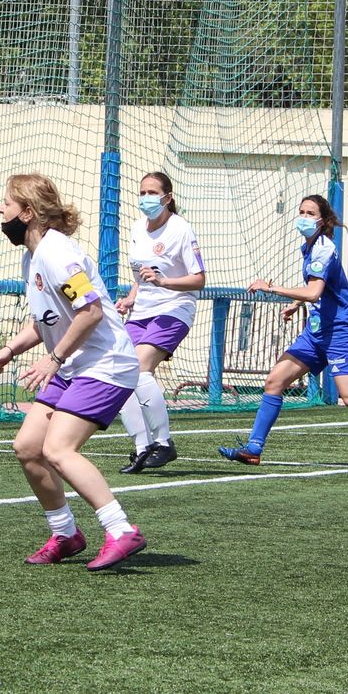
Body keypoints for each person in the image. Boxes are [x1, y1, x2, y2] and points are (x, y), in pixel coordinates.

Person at [0, 173, 147, 571]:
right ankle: (66, 534)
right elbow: (46, 321)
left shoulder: (58, 254)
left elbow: (89, 311)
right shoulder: (33, 256)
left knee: (58, 449)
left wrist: (53, 359)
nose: (0, 210)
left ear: (28, 212)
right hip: (76, 363)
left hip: (106, 363)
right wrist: (9, 349)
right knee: (28, 447)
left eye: (7, 203)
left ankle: (122, 529)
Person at [215, 195, 348, 466]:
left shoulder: (324, 248)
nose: (303, 217)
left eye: (310, 213)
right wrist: (295, 304)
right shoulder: (310, 246)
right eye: (301, 212)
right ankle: (254, 448)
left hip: (338, 331)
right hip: (315, 332)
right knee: (275, 381)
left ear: (323, 220)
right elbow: (319, 287)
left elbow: (314, 292)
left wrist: (272, 288)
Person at [114, 172, 206, 473]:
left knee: (140, 369)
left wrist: (164, 282)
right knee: (118, 372)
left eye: (152, 192)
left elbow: (199, 280)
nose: (146, 198)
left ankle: (164, 443)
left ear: (168, 198)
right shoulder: (138, 227)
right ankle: (142, 447)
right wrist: (131, 297)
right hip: (142, 310)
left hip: (175, 307)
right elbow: (143, 276)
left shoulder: (180, 229)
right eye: (142, 192)